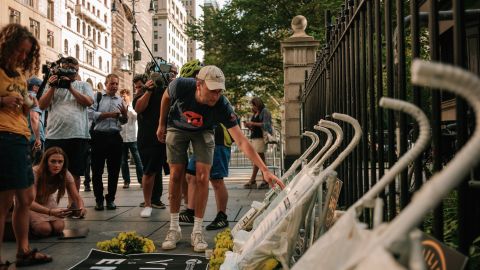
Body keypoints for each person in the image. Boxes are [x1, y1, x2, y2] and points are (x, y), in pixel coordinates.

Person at [156, 65, 284, 252]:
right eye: (212, 90)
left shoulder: (222, 105)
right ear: (199, 85)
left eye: (219, 91)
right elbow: (166, 97)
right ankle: (174, 228)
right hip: (177, 126)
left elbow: (241, 141)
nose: (216, 95)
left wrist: (264, 170)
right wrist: (161, 124)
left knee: (203, 176)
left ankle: (197, 231)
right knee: (176, 175)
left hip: (205, 131)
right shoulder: (181, 85)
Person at [0, 23, 52, 267]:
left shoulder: (20, 75)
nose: (22, 56)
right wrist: (3, 100)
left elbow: (29, 105)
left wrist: (28, 102)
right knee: (5, 200)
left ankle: (23, 250)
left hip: (21, 138)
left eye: (26, 53)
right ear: (7, 45)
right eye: (19, 50)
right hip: (3, 136)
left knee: (26, 197)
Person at [39, 56, 94, 194]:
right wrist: (52, 87)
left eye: (72, 70)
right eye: (65, 69)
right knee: (50, 173)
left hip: (77, 134)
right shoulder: (51, 85)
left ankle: (74, 204)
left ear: (77, 71)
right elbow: (42, 105)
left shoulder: (84, 85)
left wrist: (70, 87)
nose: (68, 72)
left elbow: (88, 102)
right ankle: (48, 204)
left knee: (75, 173)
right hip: (54, 135)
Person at [182, 124, 233, 230]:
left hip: (218, 138)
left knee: (216, 180)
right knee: (191, 176)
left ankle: (222, 217)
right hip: (202, 139)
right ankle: (191, 212)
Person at [88, 74, 127, 211]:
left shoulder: (121, 100)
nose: (114, 86)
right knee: (97, 171)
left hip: (115, 137)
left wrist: (125, 115)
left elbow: (123, 121)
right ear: (106, 84)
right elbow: (90, 114)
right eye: (112, 84)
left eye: (116, 84)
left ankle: (110, 199)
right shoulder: (97, 97)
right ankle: (99, 200)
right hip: (99, 137)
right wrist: (109, 115)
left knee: (114, 171)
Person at [29, 147, 86, 237]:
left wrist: (81, 207)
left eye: (60, 162)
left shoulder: (65, 173)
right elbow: (29, 203)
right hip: (30, 204)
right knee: (44, 229)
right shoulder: (35, 173)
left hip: (46, 200)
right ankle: (23, 229)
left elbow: (76, 196)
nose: (57, 165)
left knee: (59, 227)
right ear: (46, 162)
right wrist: (50, 212)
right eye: (53, 161)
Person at [133, 73, 168, 218]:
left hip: (167, 138)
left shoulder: (165, 90)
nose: (139, 89)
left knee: (178, 171)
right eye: (138, 87)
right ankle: (147, 204)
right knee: (149, 172)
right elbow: (138, 108)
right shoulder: (140, 94)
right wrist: (147, 90)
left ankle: (185, 204)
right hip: (148, 139)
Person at [243, 97, 273, 189]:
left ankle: (259, 180)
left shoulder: (265, 111)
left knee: (258, 159)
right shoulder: (255, 113)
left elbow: (266, 125)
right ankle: (261, 180)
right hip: (255, 137)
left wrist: (253, 123)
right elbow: (254, 128)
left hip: (261, 138)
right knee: (258, 159)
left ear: (258, 104)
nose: (252, 106)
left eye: (254, 105)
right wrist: (248, 126)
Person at [119, 88, 143, 189]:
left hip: (133, 137)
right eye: (122, 96)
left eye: (125, 96)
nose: (123, 98)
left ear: (129, 96)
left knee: (138, 160)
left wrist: (128, 107)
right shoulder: (119, 107)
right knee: (123, 161)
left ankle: (141, 180)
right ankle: (126, 181)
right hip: (122, 136)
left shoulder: (133, 106)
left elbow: (135, 116)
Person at [27, 76, 45, 165]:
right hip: (34, 139)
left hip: (24, 136)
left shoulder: (23, 96)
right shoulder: (34, 97)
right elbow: (34, 117)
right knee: (36, 168)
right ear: (35, 87)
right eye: (42, 88)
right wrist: (38, 138)